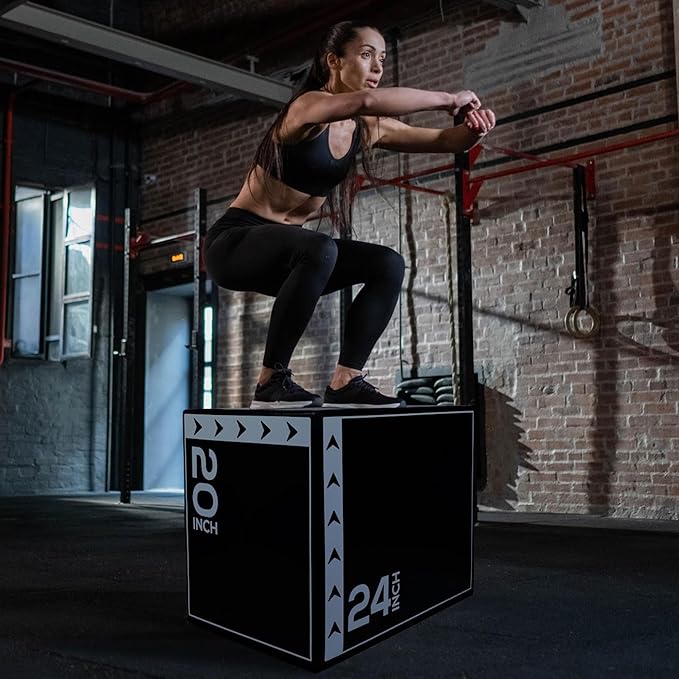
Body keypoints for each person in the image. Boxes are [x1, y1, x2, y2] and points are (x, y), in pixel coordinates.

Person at [205, 20, 495, 409]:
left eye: (382, 59)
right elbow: (366, 101)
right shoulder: (306, 107)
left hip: (291, 259)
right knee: (319, 247)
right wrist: (447, 99)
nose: (377, 67)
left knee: (387, 264)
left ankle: (346, 382)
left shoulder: (365, 129)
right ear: (334, 61)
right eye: (365, 55)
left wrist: (475, 129)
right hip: (233, 245)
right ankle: (270, 381)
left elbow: (446, 140)